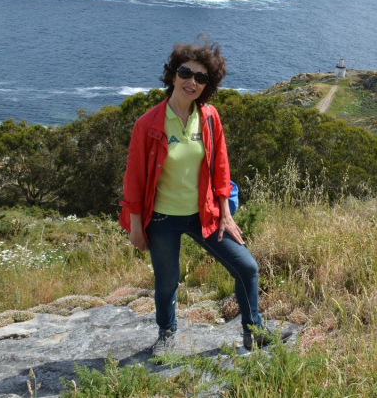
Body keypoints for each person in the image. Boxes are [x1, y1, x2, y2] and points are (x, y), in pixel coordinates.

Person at [119, 39, 289, 356]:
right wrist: (136, 226)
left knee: (247, 267)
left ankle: (254, 332)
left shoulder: (209, 117)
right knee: (167, 282)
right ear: (172, 75)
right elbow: (135, 179)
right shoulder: (148, 124)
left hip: (204, 215)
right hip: (161, 219)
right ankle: (167, 333)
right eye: (186, 72)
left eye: (201, 78)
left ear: (206, 86)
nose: (192, 81)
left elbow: (221, 168)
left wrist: (225, 213)